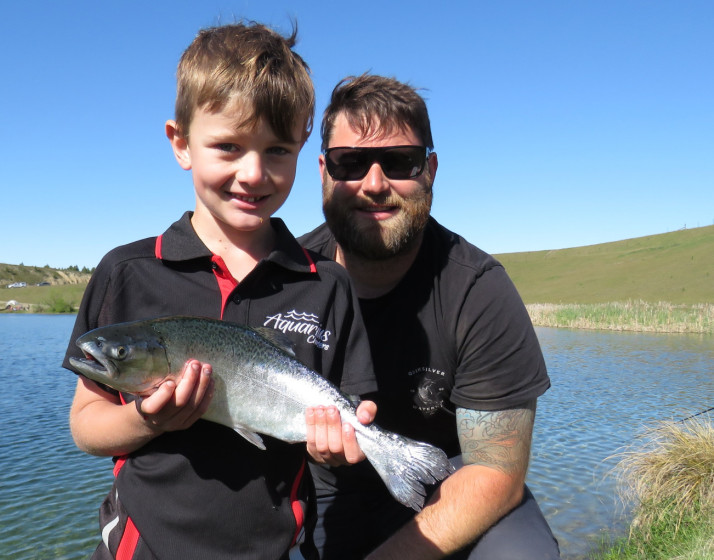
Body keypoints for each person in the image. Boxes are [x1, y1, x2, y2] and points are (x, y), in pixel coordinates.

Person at [62, 24, 376, 560]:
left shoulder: (328, 284)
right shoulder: (126, 272)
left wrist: (338, 452)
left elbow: (352, 418)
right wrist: (145, 419)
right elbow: (87, 428)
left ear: (303, 147)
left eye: (277, 149)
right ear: (180, 142)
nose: (253, 173)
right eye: (227, 146)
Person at [300, 73, 560, 559]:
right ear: (323, 172)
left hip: (447, 483)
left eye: (399, 162)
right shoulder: (285, 279)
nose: (374, 185)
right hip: (318, 491)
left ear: (431, 170)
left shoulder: (477, 289)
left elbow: (496, 472)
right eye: (350, 163)